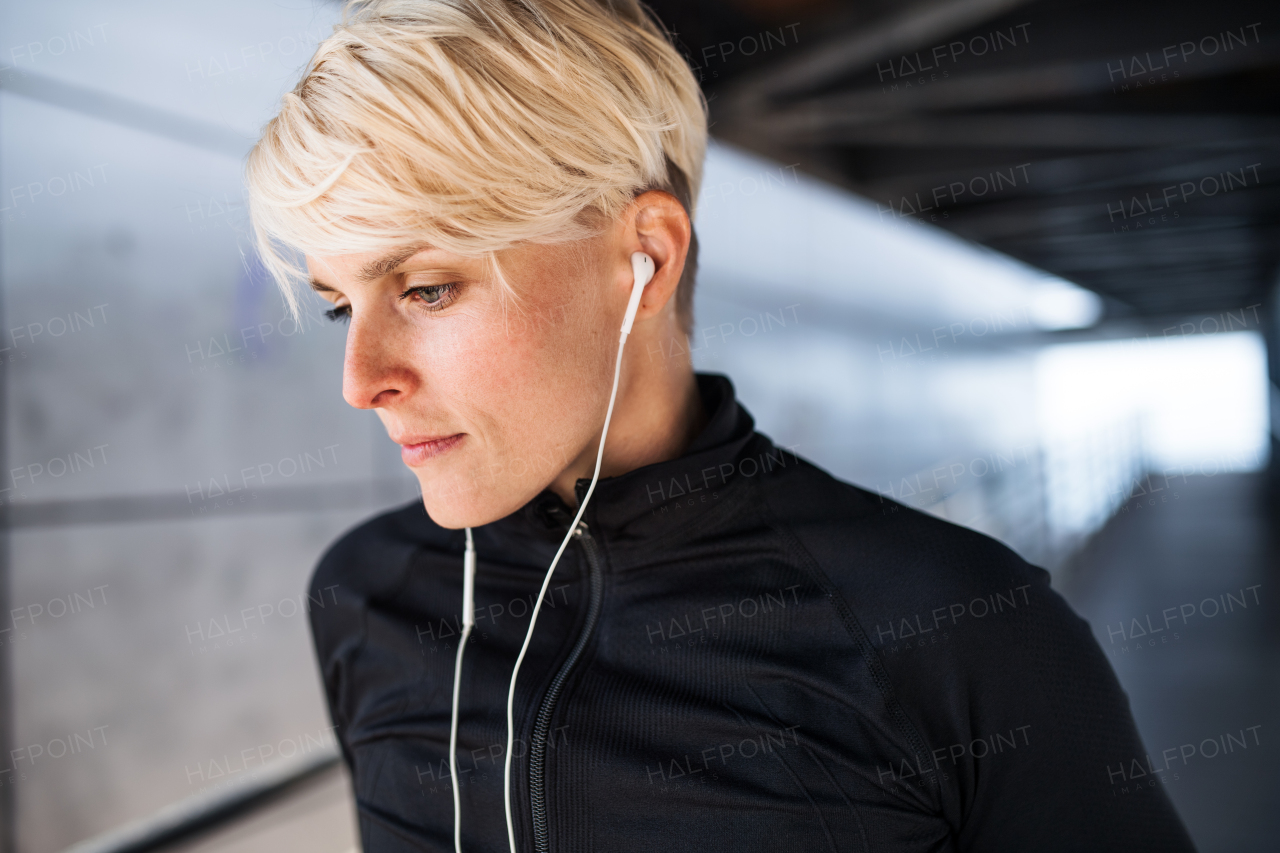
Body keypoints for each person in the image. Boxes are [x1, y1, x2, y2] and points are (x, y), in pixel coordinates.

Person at [246, 1, 1196, 850]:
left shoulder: (955, 627)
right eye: (339, 305)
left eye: (427, 288)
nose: (360, 380)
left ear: (646, 261)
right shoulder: (365, 597)